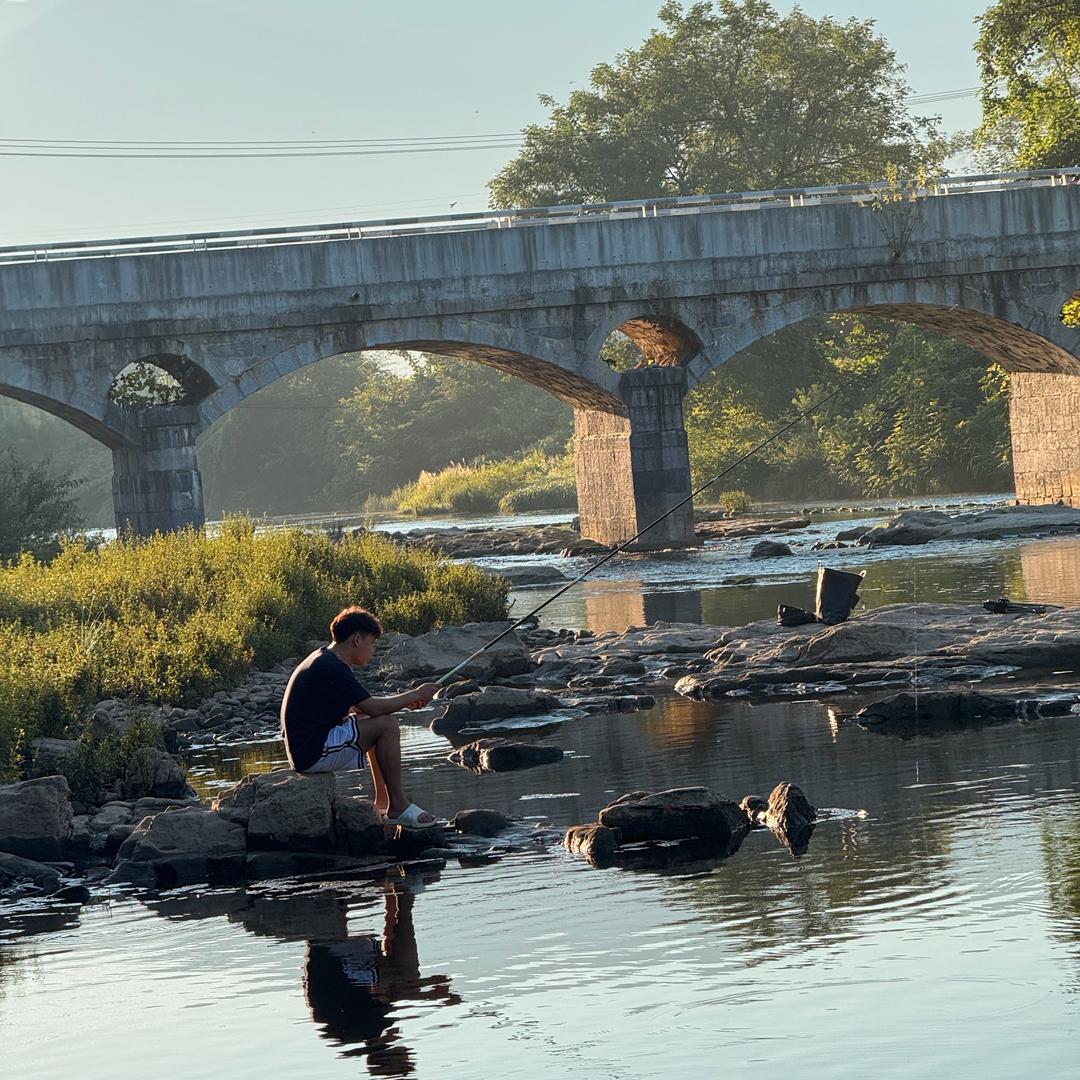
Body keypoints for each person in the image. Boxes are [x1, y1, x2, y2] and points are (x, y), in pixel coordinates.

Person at [280, 606, 440, 828]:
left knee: (376, 724)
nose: (372, 650)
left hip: (307, 748)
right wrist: (415, 694)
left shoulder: (324, 659)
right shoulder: (332, 667)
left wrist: (404, 704)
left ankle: (383, 802)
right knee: (386, 726)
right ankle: (399, 806)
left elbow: (358, 709)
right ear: (357, 639)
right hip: (312, 752)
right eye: (371, 643)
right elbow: (373, 708)